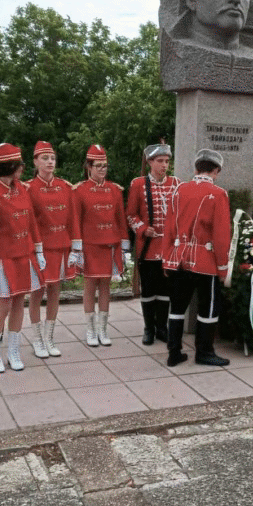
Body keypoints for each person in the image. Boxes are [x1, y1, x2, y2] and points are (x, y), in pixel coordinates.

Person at [0, 143, 46, 372]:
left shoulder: (23, 189)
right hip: (3, 259)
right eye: (19, 165)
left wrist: (39, 250)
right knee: (3, 305)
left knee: (19, 302)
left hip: (24, 255)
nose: (23, 168)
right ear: (9, 167)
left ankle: (14, 350)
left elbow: (32, 222)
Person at [162, 149, 231, 367]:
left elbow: (168, 228)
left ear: (196, 168)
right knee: (208, 307)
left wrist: (166, 259)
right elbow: (221, 235)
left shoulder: (178, 190)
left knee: (177, 306)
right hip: (205, 260)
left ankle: (174, 352)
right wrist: (223, 267)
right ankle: (204, 352)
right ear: (216, 171)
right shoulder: (219, 194)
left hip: (178, 258)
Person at [72, 145, 130, 347]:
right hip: (90, 245)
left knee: (106, 287)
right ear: (89, 166)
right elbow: (76, 220)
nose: (102, 169)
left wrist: (124, 244)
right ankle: (90, 330)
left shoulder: (115, 190)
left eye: (105, 166)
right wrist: (77, 248)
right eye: (98, 166)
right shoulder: (79, 190)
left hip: (110, 243)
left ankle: (103, 330)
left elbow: (120, 219)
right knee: (89, 286)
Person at [26, 141, 79, 358]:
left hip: (61, 246)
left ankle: (49, 338)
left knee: (56, 291)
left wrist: (76, 247)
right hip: (40, 248)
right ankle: (37, 339)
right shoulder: (27, 188)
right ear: (35, 161)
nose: (50, 162)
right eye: (45, 158)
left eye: (53, 158)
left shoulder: (66, 187)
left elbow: (73, 218)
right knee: (37, 292)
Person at [126, 143, 181, 345]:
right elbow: (131, 214)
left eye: (167, 161)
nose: (164, 165)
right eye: (160, 161)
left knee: (166, 290)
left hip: (168, 248)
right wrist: (142, 228)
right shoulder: (138, 184)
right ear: (150, 162)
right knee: (148, 290)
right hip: (148, 247)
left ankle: (162, 328)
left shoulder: (176, 183)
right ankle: (148, 328)